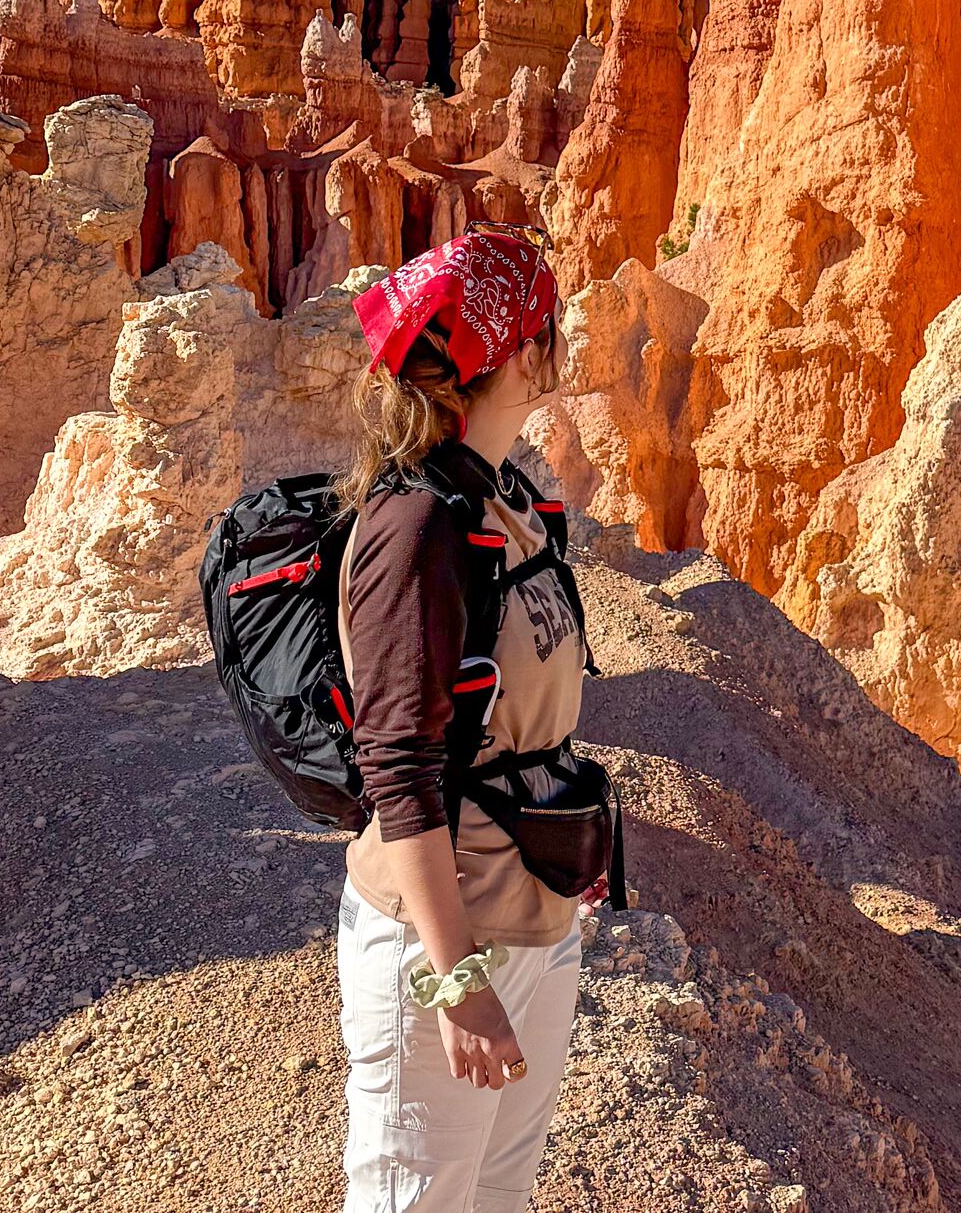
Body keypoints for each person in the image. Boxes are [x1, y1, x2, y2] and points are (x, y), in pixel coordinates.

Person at [333, 223, 597, 1213]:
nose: (557, 344)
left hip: (529, 915)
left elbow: (520, 711)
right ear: (519, 351)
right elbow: (399, 765)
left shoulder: (507, 498)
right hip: (441, 942)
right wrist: (455, 979)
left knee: (494, 1197)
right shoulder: (414, 527)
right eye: (548, 323)